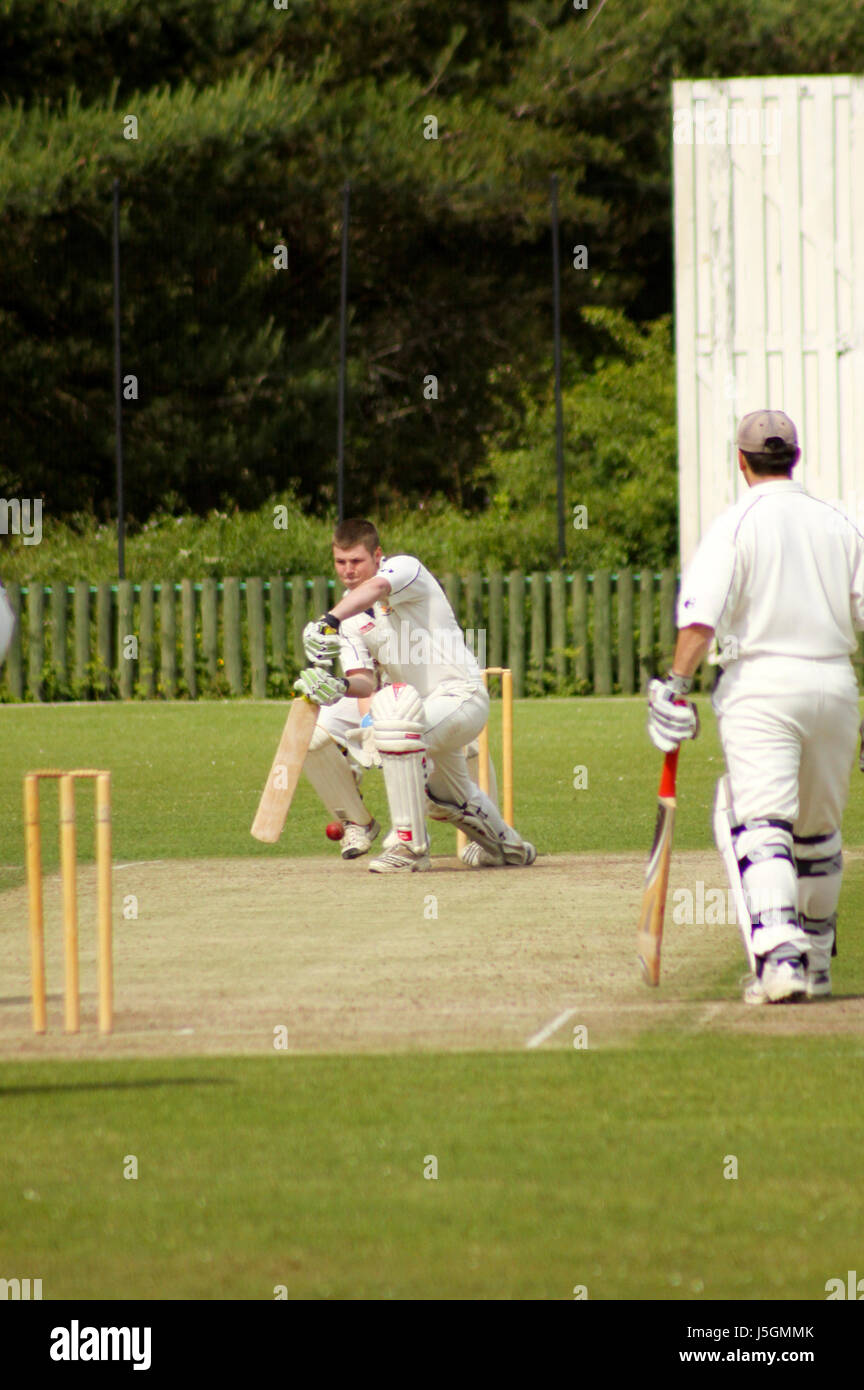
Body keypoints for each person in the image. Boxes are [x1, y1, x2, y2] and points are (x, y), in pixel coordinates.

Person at [647, 410, 864, 1004]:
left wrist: (674, 684)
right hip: (836, 685)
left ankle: (780, 959)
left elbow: (700, 618)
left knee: (758, 821)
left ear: (740, 461)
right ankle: (816, 961)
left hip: (762, 685)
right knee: (818, 832)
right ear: (796, 456)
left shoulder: (734, 525)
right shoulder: (840, 524)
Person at [296, 517, 536, 874]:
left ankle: (410, 846)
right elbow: (363, 681)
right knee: (452, 797)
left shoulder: (404, 569)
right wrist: (340, 687)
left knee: (396, 722)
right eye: (340, 562)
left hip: (461, 697)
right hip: (422, 712)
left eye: (356, 561)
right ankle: (509, 848)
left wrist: (327, 619)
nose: (348, 571)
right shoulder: (348, 620)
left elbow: (376, 588)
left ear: (377, 555)